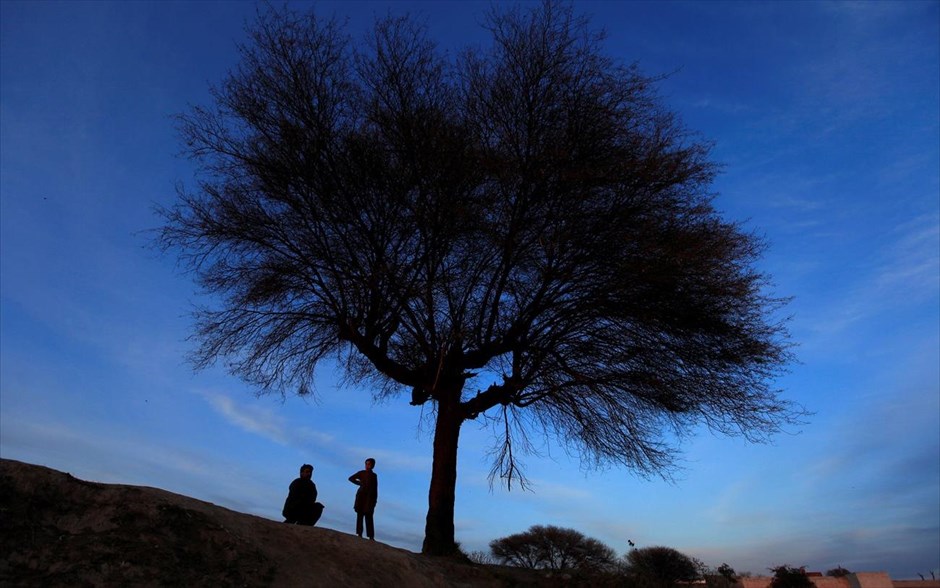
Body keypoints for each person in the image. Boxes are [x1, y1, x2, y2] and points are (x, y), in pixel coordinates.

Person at [348, 458, 378, 540]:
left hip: (370, 498)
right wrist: (360, 483)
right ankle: (359, 534)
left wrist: (375, 500)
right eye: (366, 464)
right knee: (360, 515)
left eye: (369, 464)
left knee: (369, 516)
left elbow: (375, 488)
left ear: (373, 465)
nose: (367, 466)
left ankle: (371, 536)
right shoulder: (361, 473)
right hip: (361, 496)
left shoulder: (374, 476)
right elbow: (351, 478)